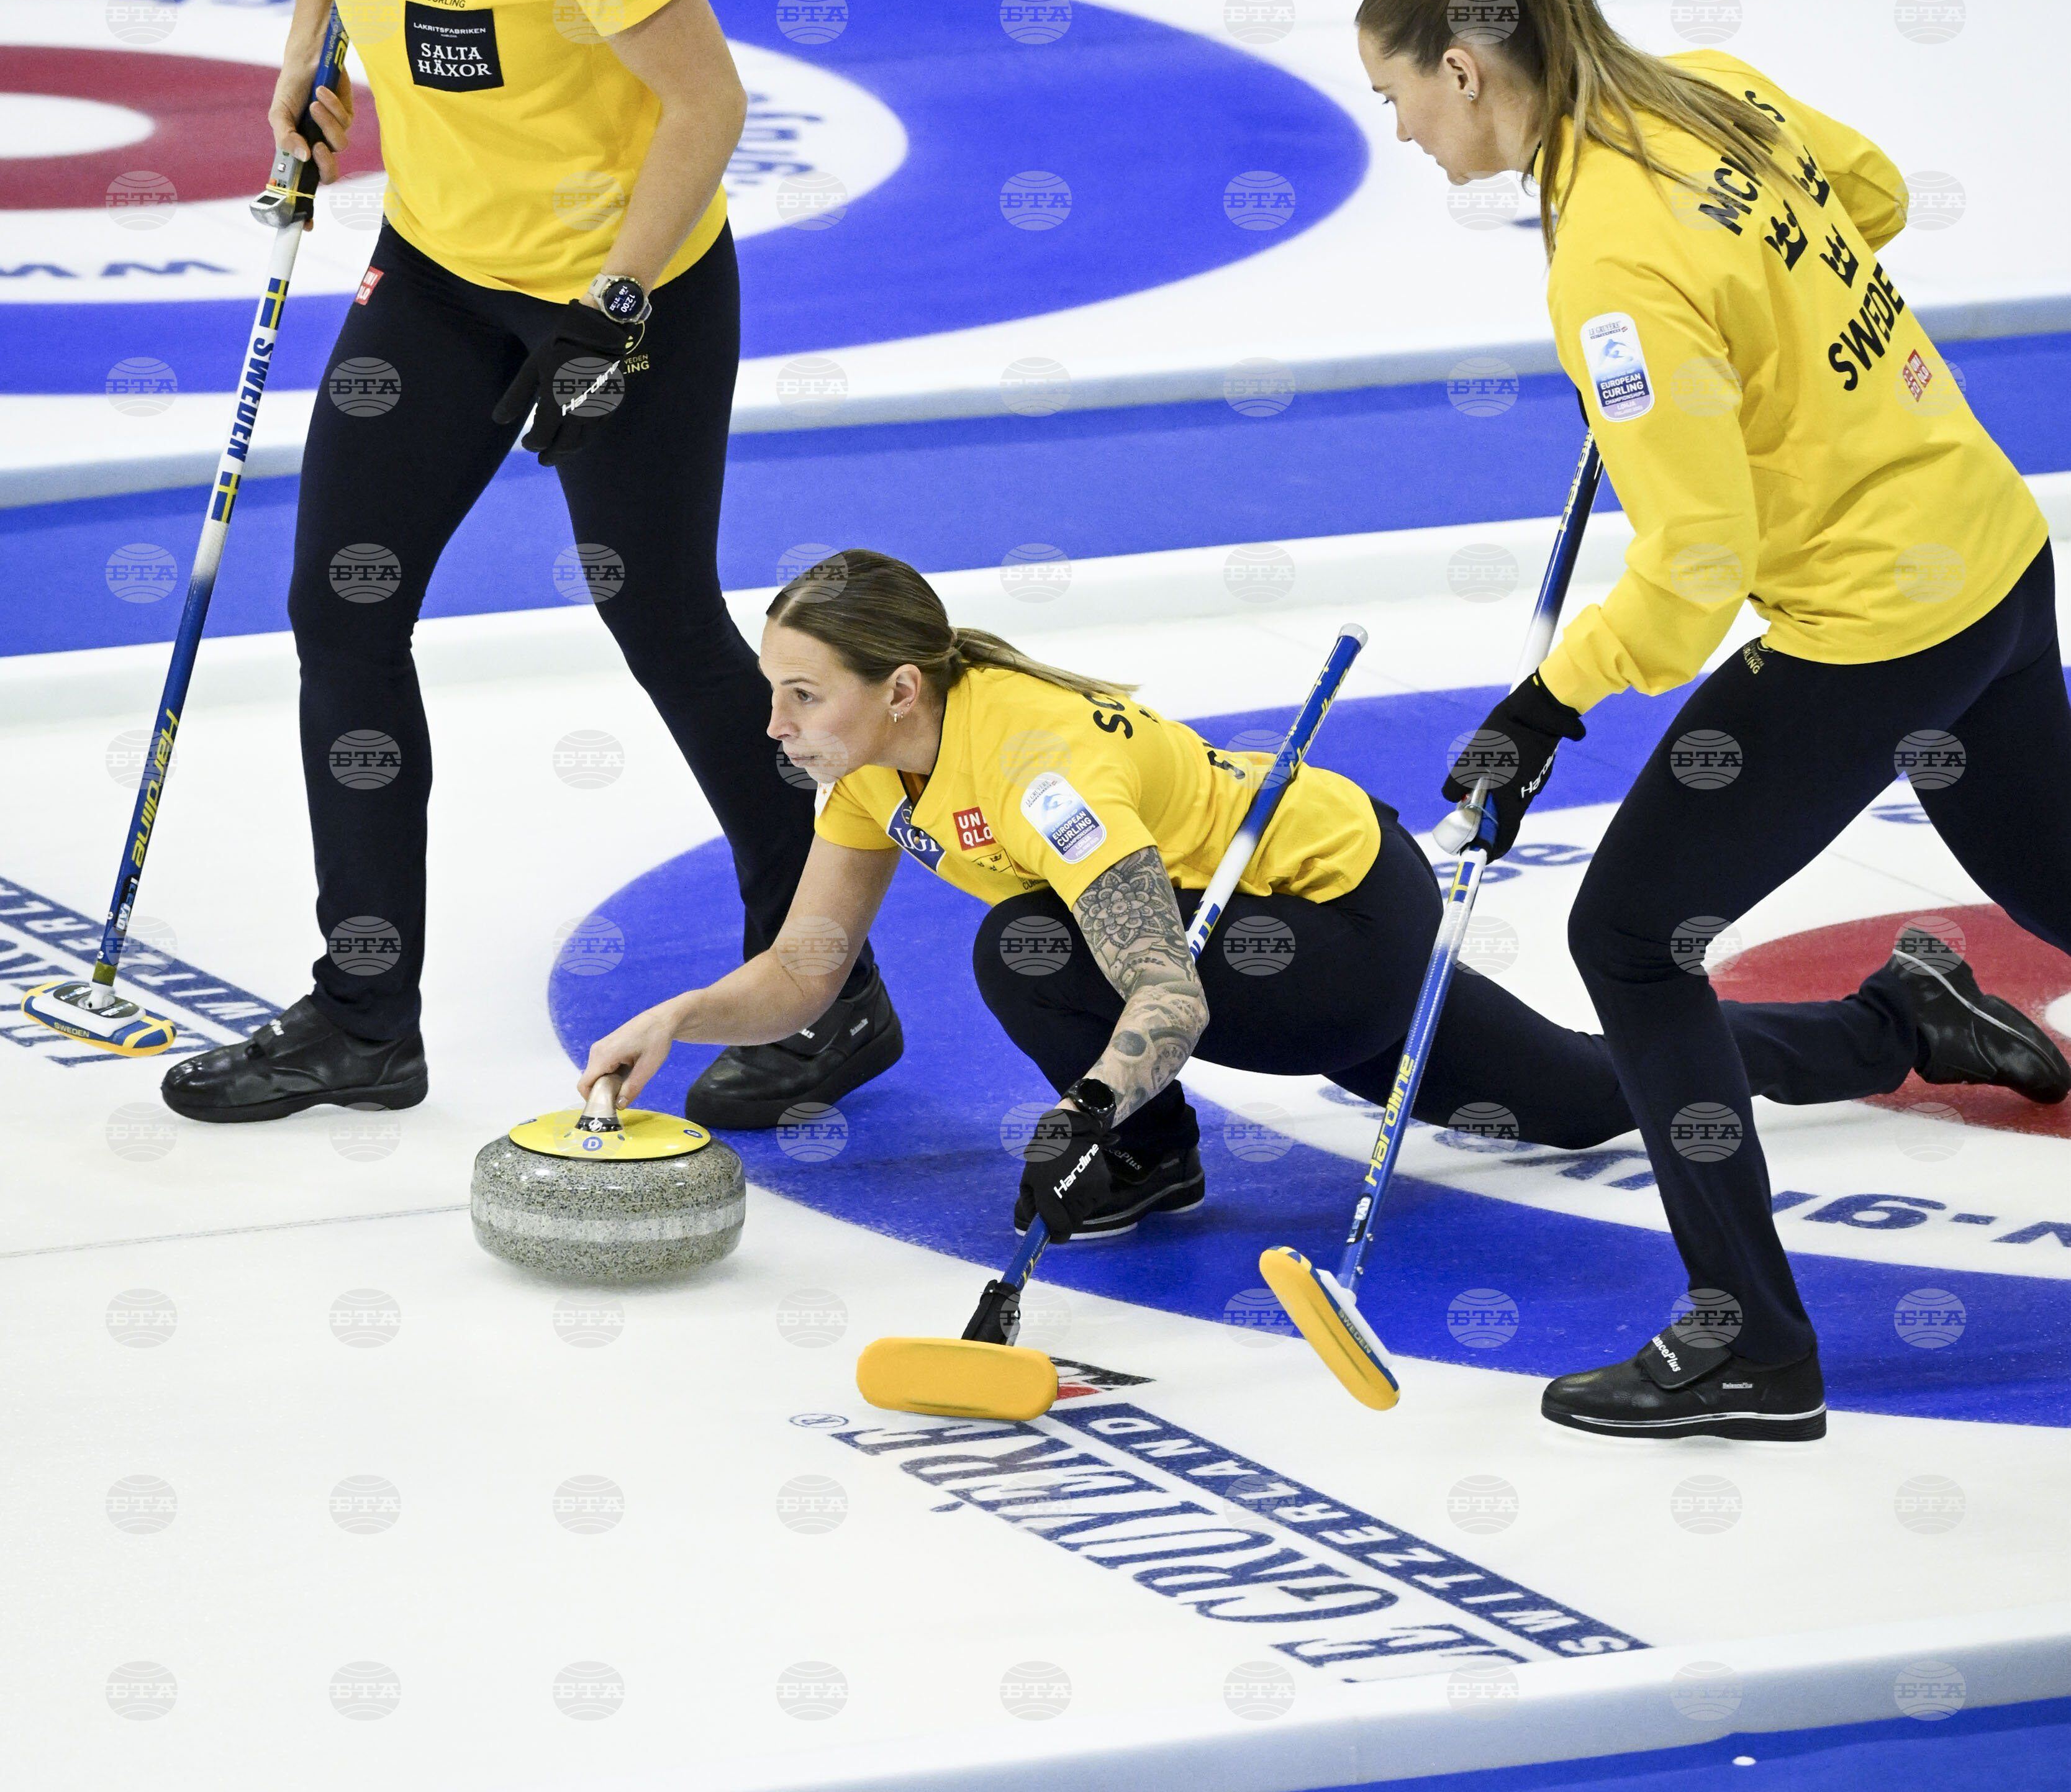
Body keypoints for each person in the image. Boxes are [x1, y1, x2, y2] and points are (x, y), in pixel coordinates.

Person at [161, 0, 899, 1130]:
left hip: (628, 285)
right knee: (342, 609)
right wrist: (308, 52)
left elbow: (709, 101)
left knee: (662, 617)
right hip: (441, 272)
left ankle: (828, 985)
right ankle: (364, 1016)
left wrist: (612, 306)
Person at [1357, 0, 2070, 1442]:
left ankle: (1748, 1339)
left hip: (1874, 623)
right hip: (1992, 550)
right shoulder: (1705, 87)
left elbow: (1692, 574)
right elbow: (1870, 195)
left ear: (1465, 70)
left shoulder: (1609, 262)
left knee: (1628, 935)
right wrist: (1738, 358)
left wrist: (1547, 703)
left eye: (1396, 94)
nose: (1401, 129)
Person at [576, 551, 2064, 1247]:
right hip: (1250, 927)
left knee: (1022, 946)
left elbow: (1165, 992)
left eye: (801, 693)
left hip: (1334, 916)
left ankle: (1147, 1156)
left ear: (901, 687)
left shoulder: (1036, 769)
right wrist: (679, 1016)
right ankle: (1901, 1017)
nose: (775, 723)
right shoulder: (870, 773)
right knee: (1575, 1094)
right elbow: (808, 968)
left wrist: (1091, 1106)